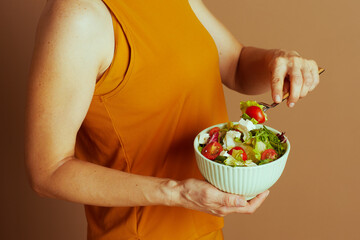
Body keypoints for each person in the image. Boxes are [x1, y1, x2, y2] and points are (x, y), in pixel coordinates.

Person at [25, 0, 320, 239]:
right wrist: (176, 192)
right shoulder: (77, 16)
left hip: (204, 229)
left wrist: (279, 61)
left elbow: (236, 64)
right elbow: (48, 170)